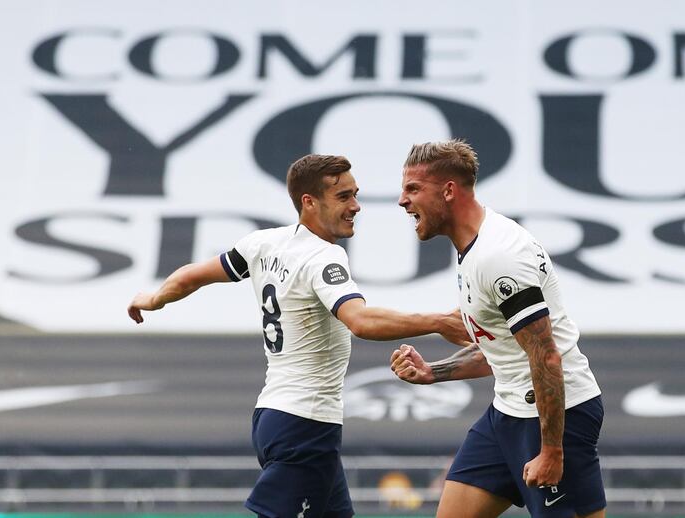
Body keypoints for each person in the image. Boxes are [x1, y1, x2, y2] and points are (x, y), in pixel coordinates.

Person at [127, 154, 468, 518]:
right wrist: (438, 321)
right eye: (343, 197)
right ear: (309, 202)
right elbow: (361, 321)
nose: (355, 206)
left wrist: (153, 298)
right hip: (305, 424)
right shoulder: (324, 258)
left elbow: (191, 276)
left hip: (276, 415)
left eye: (355, 195)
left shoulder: (264, 244)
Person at [390, 140, 605, 518]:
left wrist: (552, 451)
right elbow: (503, 352)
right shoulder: (474, 248)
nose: (402, 201)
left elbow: (545, 355)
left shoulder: (499, 256)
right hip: (505, 413)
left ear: (449, 191)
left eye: (413, 188)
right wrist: (432, 372)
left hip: (556, 420)